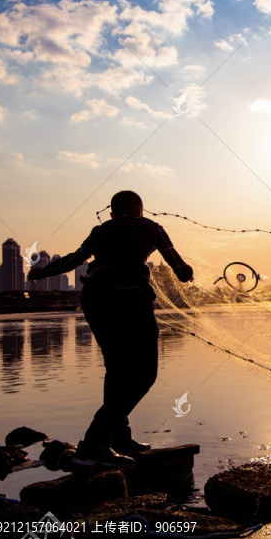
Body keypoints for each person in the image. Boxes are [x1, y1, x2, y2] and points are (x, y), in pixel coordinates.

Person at [28, 191, 193, 467]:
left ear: (113, 214)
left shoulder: (101, 231)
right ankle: (94, 443)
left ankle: (119, 438)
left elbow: (73, 260)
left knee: (116, 370)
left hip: (96, 301)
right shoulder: (150, 227)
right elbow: (179, 266)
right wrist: (185, 272)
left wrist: (43, 271)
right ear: (140, 210)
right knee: (143, 374)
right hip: (130, 300)